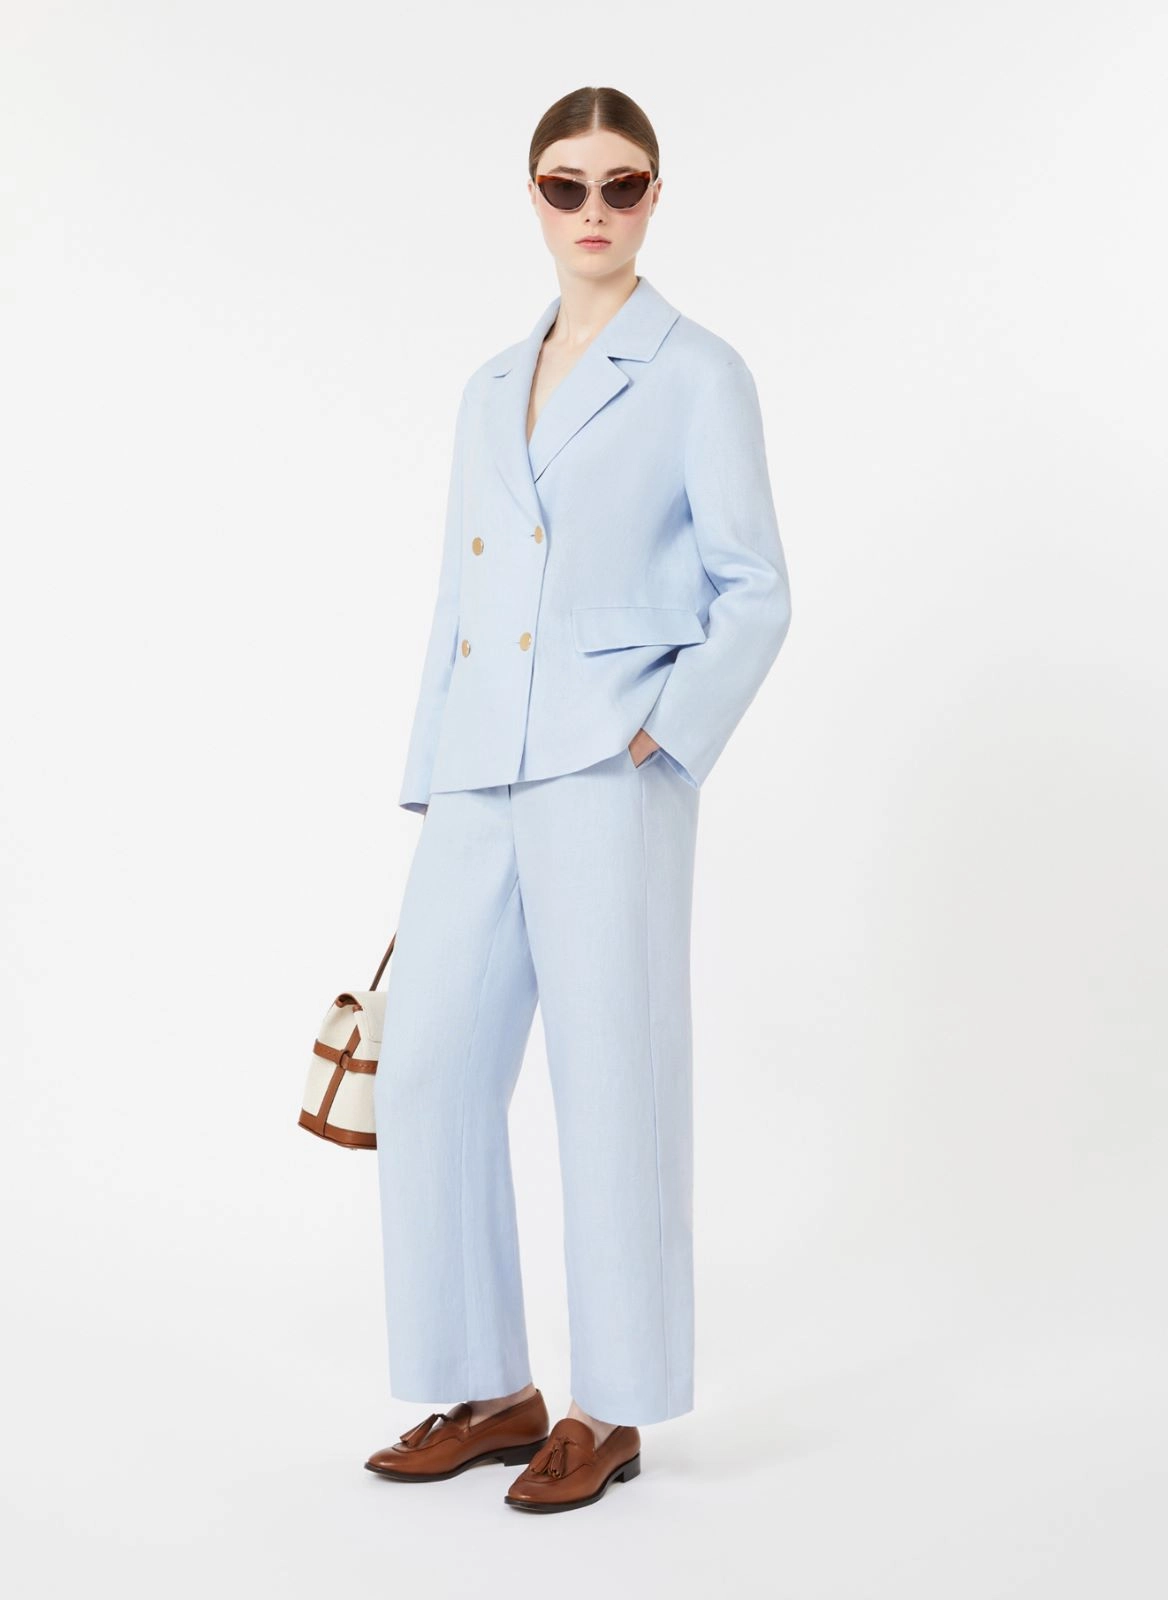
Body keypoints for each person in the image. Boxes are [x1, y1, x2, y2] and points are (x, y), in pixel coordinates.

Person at [364, 85, 792, 1513]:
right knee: (428, 1066)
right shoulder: (490, 385)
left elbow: (755, 588)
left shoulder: (698, 372)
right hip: (481, 764)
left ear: (655, 196)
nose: (594, 210)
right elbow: (459, 591)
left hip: (611, 763)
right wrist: (432, 771)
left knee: (613, 1079)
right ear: (534, 197)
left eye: (621, 185)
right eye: (566, 185)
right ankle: (489, 1387)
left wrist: (663, 735)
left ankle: (610, 1406)